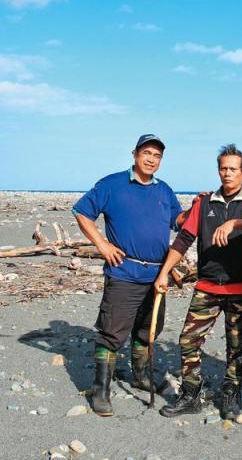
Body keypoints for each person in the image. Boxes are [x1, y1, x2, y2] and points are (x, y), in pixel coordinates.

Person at [152, 144, 242, 419]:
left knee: (236, 344)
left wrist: (237, 223)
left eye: (233, 169)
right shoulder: (204, 203)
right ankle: (192, 393)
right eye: (223, 168)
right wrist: (163, 274)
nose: (227, 173)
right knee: (188, 340)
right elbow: (184, 239)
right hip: (207, 286)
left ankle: (232, 394)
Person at [73, 134, 184, 416]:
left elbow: (179, 221)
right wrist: (102, 244)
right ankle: (101, 390)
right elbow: (82, 212)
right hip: (124, 273)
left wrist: (200, 208)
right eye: (147, 153)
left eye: (157, 156)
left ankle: (141, 376)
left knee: (148, 330)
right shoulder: (112, 184)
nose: (151, 159)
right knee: (112, 333)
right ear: (135, 154)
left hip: (157, 274)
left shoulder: (164, 190)